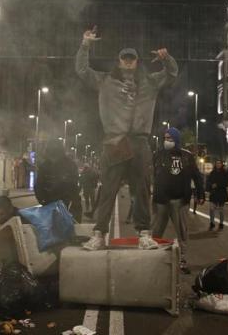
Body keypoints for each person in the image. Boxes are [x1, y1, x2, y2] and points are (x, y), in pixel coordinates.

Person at [76, 25, 178, 250]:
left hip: (139, 141)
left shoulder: (150, 81)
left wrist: (166, 58)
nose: (128, 61)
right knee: (108, 189)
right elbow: (82, 70)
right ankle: (99, 234)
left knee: (141, 189)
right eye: (125, 58)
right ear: (119, 60)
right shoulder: (104, 80)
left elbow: (172, 74)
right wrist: (85, 45)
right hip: (114, 141)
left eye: (132, 58)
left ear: (137, 61)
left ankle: (144, 234)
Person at [152, 128, 205, 273]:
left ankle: (182, 260)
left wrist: (200, 194)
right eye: (165, 137)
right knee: (156, 231)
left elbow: (197, 176)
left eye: (169, 138)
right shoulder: (158, 155)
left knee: (182, 232)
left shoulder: (187, 156)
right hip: (161, 200)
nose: (166, 140)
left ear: (176, 139)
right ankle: (152, 257)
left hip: (180, 200)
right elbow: (151, 174)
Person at [35, 139, 82, 222]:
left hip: (60, 205)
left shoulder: (45, 165)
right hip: (56, 205)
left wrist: (43, 200)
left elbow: (38, 186)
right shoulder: (70, 164)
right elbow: (39, 185)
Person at [206, 159, 228, 231]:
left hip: (221, 193)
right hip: (213, 193)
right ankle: (212, 223)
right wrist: (210, 186)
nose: (218, 164)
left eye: (219, 163)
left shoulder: (225, 173)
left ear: (221, 164)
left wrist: (218, 185)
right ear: (215, 164)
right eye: (217, 163)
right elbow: (208, 182)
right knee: (211, 209)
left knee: (221, 210)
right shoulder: (212, 173)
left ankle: (221, 223)